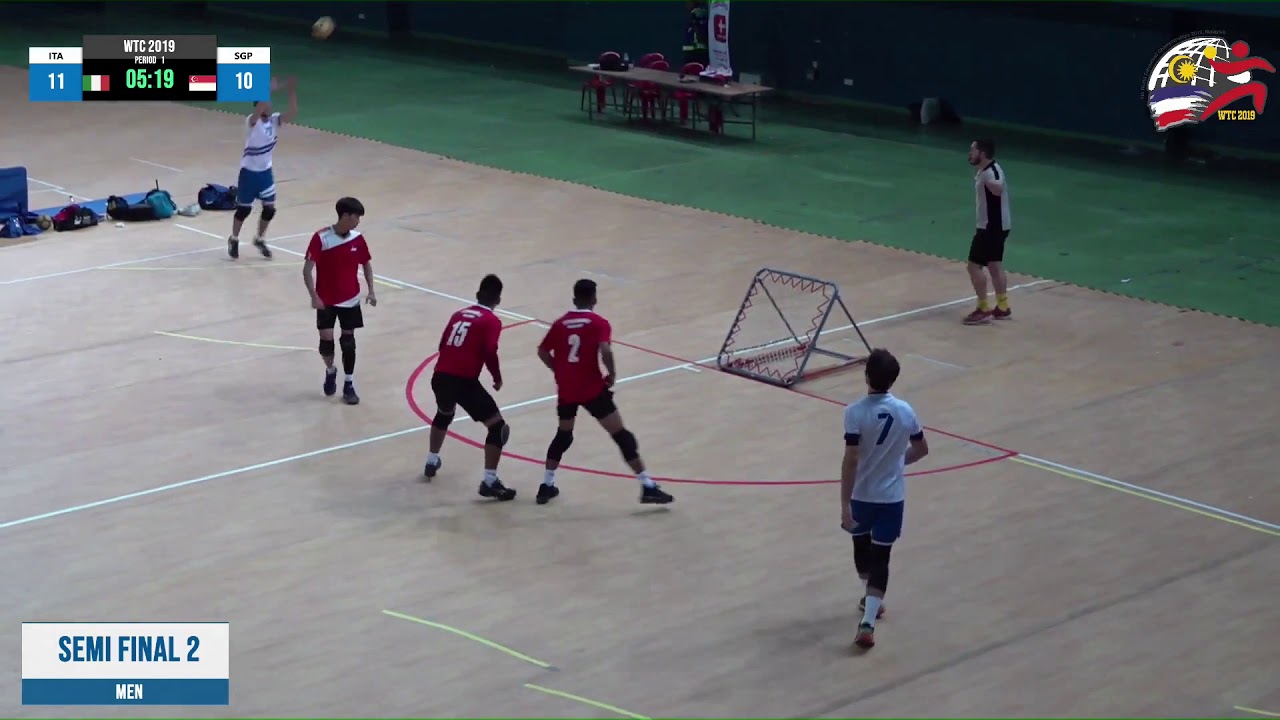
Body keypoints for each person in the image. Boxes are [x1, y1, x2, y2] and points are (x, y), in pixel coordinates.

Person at [535, 279, 674, 506]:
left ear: (574, 299)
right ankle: (647, 485)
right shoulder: (598, 323)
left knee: (563, 435)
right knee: (621, 435)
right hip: (591, 389)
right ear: (594, 299)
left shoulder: (560, 324)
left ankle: (546, 484)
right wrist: (612, 374)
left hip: (567, 389)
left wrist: (558, 370)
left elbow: (542, 351)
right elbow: (605, 349)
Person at [840, 348, 929, 650]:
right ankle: (868, 619)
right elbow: (922, 449)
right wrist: (896, 463)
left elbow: (851, 459)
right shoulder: (905, 410)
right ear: (893, 380)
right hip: (892, 498)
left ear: (867, 377)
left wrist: (844, 504)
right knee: (882, 557)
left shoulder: (854, 412)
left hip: (863, 495)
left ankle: (870, 600)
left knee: (861, 551)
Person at [423, 275, 516, 502]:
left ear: (477, 295)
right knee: (498, 428)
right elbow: (489, 351)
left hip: (439, 376)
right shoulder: (491, 321)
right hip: (463, 381)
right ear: (498, 300)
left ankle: (432, 460)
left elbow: (442, 345)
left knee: (445, 412)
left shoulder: (459, 314)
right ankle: (490, 481)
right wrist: (497, 377)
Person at [303, 197, 375, 405]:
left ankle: (349, 384)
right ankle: (330, 370)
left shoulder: (358, 239)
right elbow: (307, 270)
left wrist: (371, 291)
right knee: (326, 343)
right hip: (325, 301)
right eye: (356, 217)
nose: (358, 221)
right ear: (345, 216)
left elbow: (366, 264)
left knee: (348, 343)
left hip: (350, 299)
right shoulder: (321, 238)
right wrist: (314, 296)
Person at [228, 76, 297, 261]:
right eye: (265, 103)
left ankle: (259, 239)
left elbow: (293, 112)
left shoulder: (274, 121)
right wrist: (269, 89)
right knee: (244, 210)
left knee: (270, 209)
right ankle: (234, 238)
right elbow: (260, 107)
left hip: (265, 173)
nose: (269, 105)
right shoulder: (252, 121)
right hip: (249, 174)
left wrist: (291, 91)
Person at [963, 139, 1013, 325]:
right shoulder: (986, 170)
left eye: (973, 151)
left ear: (982, 153)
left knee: (973, 266)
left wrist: (987, 182)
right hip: (997, 227)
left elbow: (998, 187)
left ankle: (983, 308)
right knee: (994, 264)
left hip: (990, 228)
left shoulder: (991, 172)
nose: (970, 154)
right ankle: (1002, 307)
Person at [682, 0, 710, 67]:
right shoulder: (699, 13)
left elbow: (698, 29)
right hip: (695, 51)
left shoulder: (696, 13)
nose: (686, 4)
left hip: (695, 52)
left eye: (688, 2)